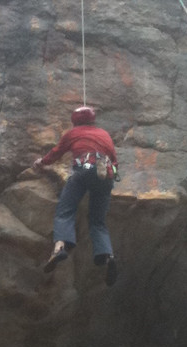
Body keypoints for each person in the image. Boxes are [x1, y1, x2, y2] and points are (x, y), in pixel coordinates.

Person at [33, 106, 120, 286]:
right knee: (98, 222)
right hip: (106, 176)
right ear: (93, 120)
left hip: (84, 170)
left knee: (65, 211)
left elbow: (56, 152)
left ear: (75, 121)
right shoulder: (104, 134)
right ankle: (107, 256)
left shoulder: (73, 133)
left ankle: (59, 247)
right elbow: (114, 160)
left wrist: (41, 162)